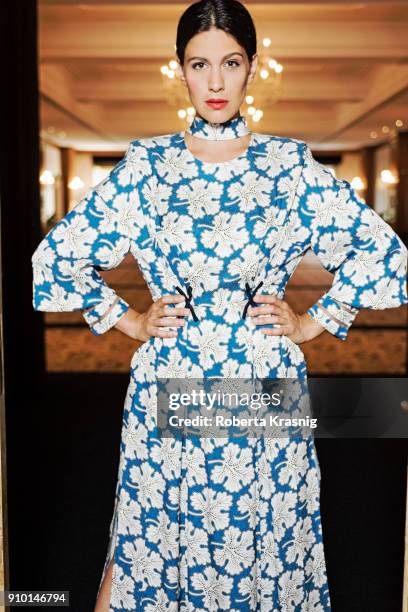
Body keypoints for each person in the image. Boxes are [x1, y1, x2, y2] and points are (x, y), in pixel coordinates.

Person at [31, 0, 408, 610]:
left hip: (265, 386)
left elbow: (383, 254)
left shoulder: (288, 167)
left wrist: (313, 321)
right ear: (179, 69)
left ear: (252, 67)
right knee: (146, 551)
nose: (214, 82)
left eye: (229, 63)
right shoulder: (148, 167)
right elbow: (54, 261)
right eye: (199, 64)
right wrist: (128, 318)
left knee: (263, 546)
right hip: (171, 383)